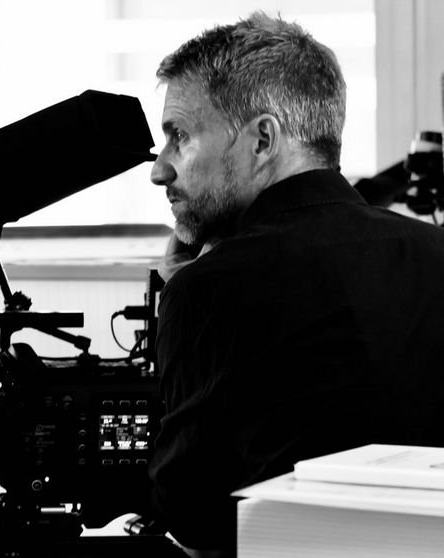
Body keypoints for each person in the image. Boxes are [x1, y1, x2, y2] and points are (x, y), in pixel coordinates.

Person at [146, 11, 444, 558]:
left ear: (263, 139)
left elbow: (192, 518)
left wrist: (180, 301)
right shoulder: (436, 254)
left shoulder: (208, 289)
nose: (160, 169)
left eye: (179, 137)